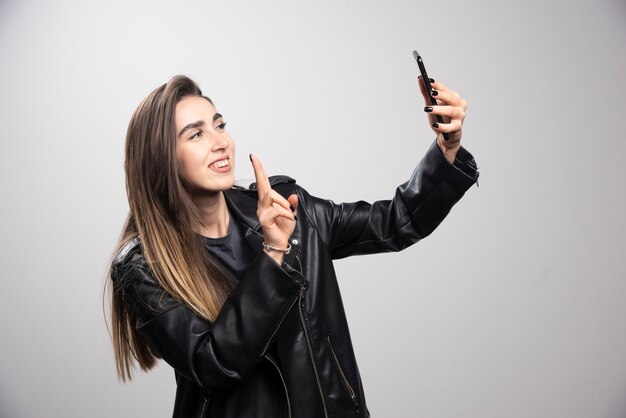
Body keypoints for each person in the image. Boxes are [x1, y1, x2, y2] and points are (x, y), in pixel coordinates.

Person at [107, 74, 478, 418]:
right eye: (196, 134)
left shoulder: (287, 208)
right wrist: (273, 253)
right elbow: (216, 363)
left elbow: (397, 222)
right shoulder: (144, 266)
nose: (221, 142)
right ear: (160, 158)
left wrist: (448, 148)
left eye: (220, 125)